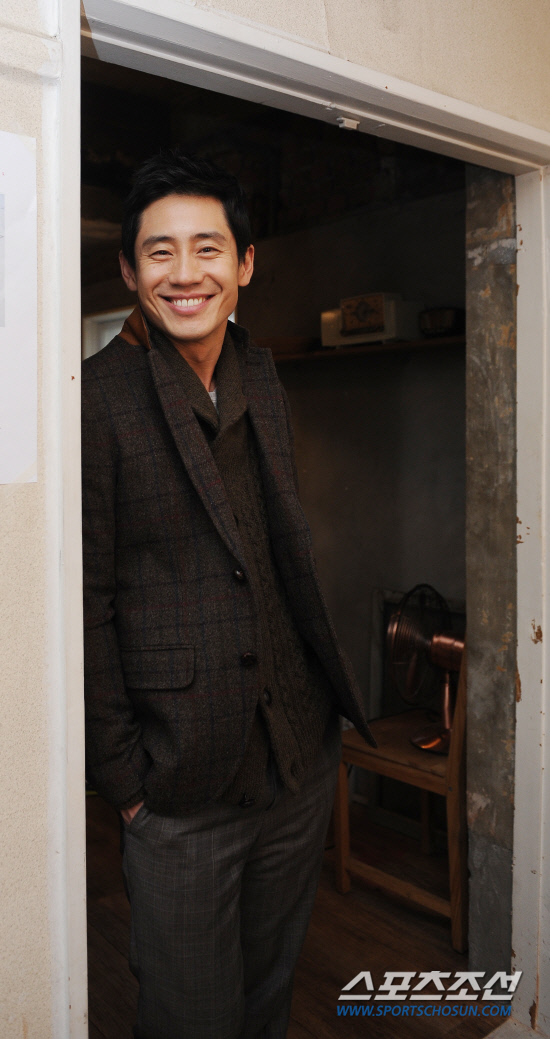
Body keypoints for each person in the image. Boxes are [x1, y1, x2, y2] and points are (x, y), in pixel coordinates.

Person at [81, 149, 374, 1039]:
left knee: (266, 1001)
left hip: (297, 761)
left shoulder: (263, 375)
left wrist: (318, 727)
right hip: (179, 787)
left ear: (243, 264)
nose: (186, 273)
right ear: (129, 270)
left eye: (207, 248)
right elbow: (85, 601)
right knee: (189, 1019)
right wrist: (125, 780)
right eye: (159, 251)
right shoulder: (95, 402)